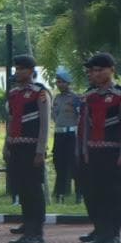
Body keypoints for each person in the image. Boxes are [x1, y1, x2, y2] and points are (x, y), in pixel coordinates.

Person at [76, 53, 121, 243]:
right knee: (95, 194)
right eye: (93, 71)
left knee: (113, 194)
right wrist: (84, 151)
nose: (96, 74)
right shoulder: (89, 96)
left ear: (111, 70)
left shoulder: (120, 95)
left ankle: (114, 235)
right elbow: (85, 126)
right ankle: (101, 231)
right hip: (93, 152)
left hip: (113, 152)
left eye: (100, 70)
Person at [3, 55, 52, 243]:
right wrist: (7, 144)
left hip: (32, 147)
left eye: (22, 69)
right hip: (16, 146)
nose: (18, 72)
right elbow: (11, 120)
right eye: (17, 68)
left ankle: (36, 232)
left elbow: (45, 124)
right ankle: (27, 227)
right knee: (22, 189)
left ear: (31, 71)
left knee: (33, 190)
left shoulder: (39, 92)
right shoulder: (14, 93)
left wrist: (40, 150)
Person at [49, 69, 81, 200]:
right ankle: (60, 194)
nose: (59, 84)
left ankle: (79, 194)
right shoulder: (56, 98)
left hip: (71, 134)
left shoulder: (75, 98)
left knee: (74, 164)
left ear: (68, 83)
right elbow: (54, 115)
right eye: (58, 82)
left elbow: (80, 116)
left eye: (62, 82)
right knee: (59, 163)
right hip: (59, 135)